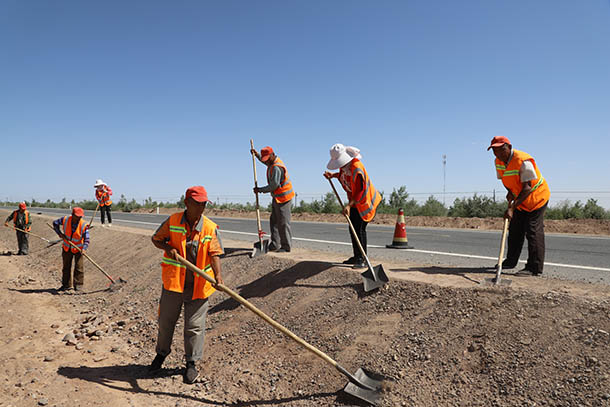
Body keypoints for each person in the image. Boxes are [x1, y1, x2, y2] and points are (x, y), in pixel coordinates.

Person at [149, 186, 224, 384]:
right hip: (174, 283)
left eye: (204, 204)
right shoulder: (173, 221)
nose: (201, 207)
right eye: (197, 203)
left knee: (194, 327)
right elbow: (156, 239)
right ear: (186, 203)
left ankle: (191, 363)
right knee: (166, 322)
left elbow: (214, 253)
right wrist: (169, 247)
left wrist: (218, 277)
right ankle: (161, 355)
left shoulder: (209, 227)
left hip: (198, 285)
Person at [488, 136, 550, 276]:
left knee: (532, 231)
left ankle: (534, 268)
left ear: (509, 147)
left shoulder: (523, 160)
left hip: (536, 198)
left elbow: (527, 188)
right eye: (494, 150)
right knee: (515, 230)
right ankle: (510, 262)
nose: (498, 153)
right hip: (520, 200)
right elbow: (506, 180)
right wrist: (510, 192)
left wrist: (511, 208)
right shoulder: (498, 162)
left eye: (501, 149)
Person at [324, 143, 381, 269]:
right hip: (355, 202)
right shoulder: (344, 167)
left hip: (365, 202)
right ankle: (356, 256)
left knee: (359, 229)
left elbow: (361, 190)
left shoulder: (356, 167)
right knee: (353, 229)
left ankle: (363, 258)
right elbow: (344, 176)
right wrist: (332, 176)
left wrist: (349, 206)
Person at [250, 146, 295, 252]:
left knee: (283, 222)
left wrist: (259, 190)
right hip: (277, 198)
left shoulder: (276, 167)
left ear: (272, 155)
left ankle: (286, 246)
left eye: (267, 158)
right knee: (274, 221)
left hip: (284, 198)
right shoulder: (271, 162)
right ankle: (275, 244)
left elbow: (274, 185)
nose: (266, 161)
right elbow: (264, 161)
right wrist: (256, 155)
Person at [53, 207, 90, 291]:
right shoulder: (65, 219)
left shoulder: (83, 224)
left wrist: (84, 248)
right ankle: (66, 285)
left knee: (79, 268)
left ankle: (78, 286)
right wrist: (60, 234)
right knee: (66, 267)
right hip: (67, 248)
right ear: (72, 215)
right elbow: (55, 223)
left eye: (81, 217)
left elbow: (87, 239)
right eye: (78, 216)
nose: (79, 218)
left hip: (78, 249)